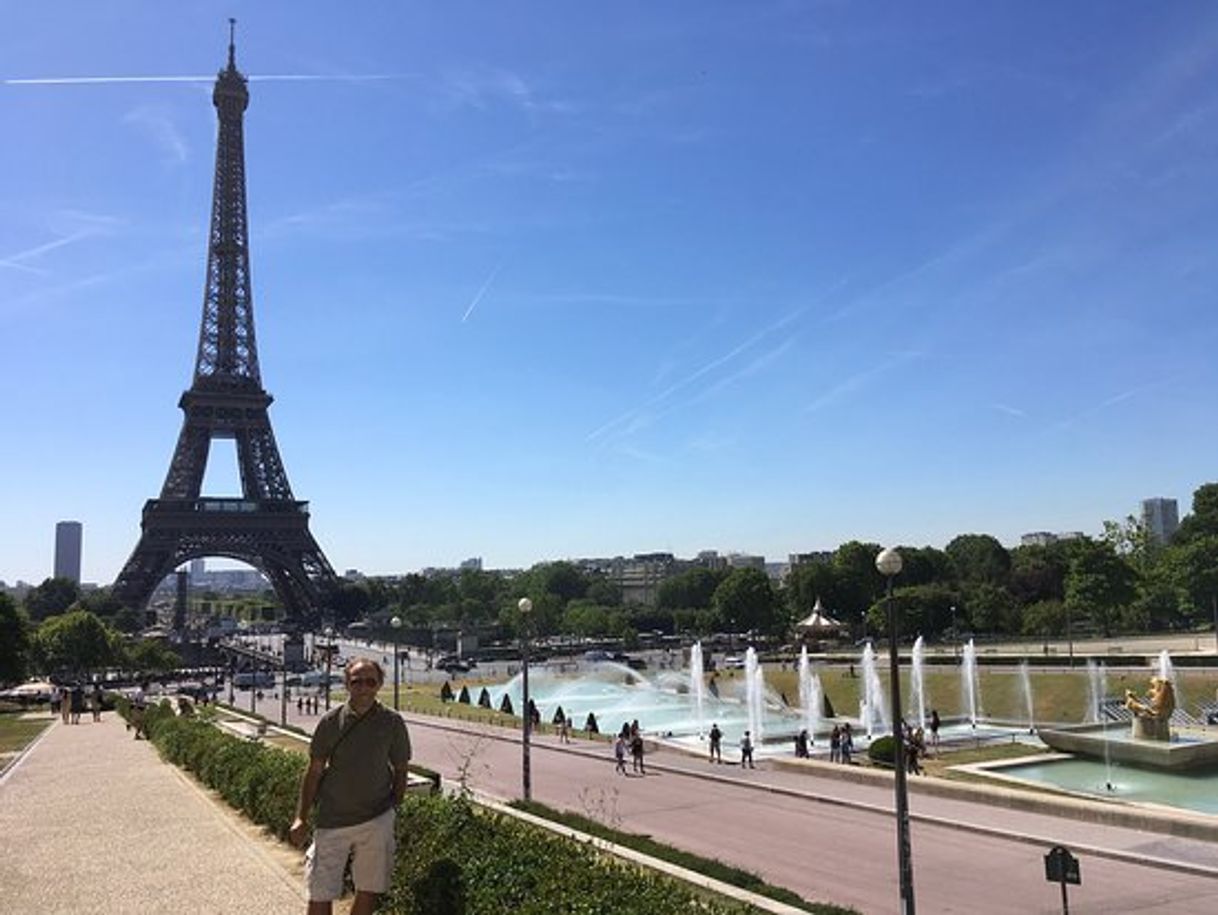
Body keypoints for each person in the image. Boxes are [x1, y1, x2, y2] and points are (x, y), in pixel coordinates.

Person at [290, 659, 411, 915]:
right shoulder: (330, 722)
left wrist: (393, 810)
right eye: (357, 682)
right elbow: (314, 772)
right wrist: (300, 817)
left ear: (379, 684)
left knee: (368, 888)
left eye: (371, 682)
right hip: (332, 819)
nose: (364, 688)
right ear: (347, 684)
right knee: (320, 891)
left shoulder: (392, 722)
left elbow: (401, 769)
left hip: (375, 818)